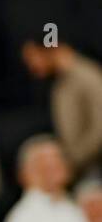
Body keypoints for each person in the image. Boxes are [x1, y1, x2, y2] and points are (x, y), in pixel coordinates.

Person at [21, 41, 102, 179]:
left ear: (48, 50)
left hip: (94, 167)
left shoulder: (87, 76)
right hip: (82, 167)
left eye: (32, 57)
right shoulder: (60, 81)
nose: (31, 66)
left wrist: (74, 160)